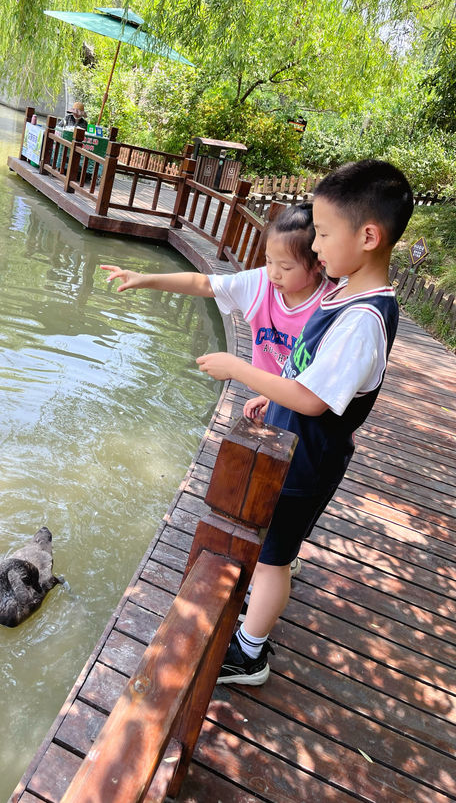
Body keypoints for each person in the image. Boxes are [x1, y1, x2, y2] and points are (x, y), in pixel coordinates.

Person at [193, 159, 413, 687]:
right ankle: (252, 620)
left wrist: (241, 370)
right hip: (290, 446)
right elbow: (308, 375)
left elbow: (314, 400)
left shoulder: (363, 318)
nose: (315, 247)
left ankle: (249, 653)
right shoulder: (346, 291)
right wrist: (275, 403)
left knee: (274, 558)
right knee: (270, 544)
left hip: (308, 461)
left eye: (324, 234)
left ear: (367, 236)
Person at [102, 202, 336, 384]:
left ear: (319, 263)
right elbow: (203, 283)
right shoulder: (259, 283)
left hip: (307, 419)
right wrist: (143, 279)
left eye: (285, 267)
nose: (273, 273)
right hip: (263, 399)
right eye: (268, 261)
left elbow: (321, 384)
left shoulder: (332, 308)